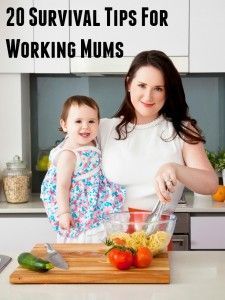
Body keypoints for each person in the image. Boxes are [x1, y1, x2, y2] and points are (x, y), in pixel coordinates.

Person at [98, 50, 218, 213]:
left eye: (158, 89)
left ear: (167, 92)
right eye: (142, 85)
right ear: (128, 84)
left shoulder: (181, 130)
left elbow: (210, 184)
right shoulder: (103, 128)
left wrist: (175, 169)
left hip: (158, 237)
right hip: (106, 237)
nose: (148, 96)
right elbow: (62, 158)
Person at [41, 95, 125, 243]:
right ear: (65, 125)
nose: (85, 126)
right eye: (78, 121)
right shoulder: (68, 154)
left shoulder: (92, 142)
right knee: (81, 239)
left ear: (98, 123)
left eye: (91, 121)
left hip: (95, 202)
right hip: (78, 208)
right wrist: (64, 213)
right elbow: (62, 186)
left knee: (102, 237)